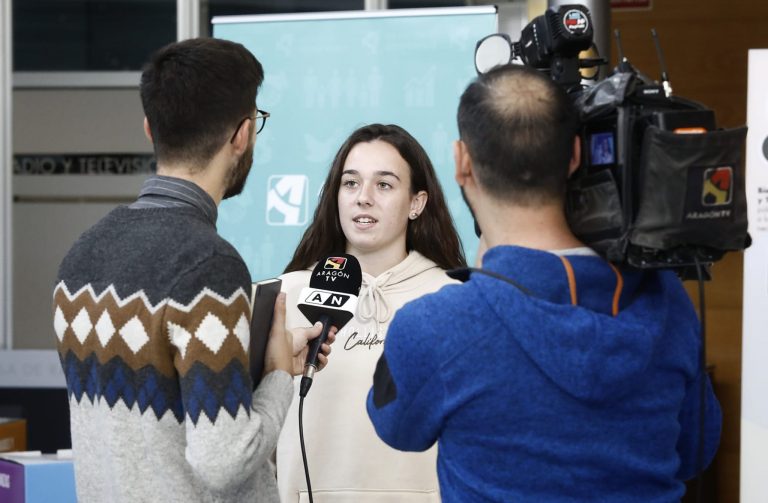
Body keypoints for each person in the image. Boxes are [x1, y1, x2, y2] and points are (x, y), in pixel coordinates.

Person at [366, 65, 722, 502]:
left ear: (463, 162)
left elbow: (397, 428)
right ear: (574, 155)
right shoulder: (665, 298)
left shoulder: (435, 324)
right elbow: (694, 450)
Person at [52, 38, 333, 503]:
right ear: (242, 135)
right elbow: (224, 461)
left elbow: (151, 422)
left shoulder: (81, 256)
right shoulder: (208, 266)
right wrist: (279, 377)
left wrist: (262, 366)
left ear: (149, 129)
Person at [276, 123, 466, 502]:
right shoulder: (285, 295)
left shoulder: (454, 299)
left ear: (416, 203)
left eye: (384, 185)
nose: (363, 198)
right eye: (350, 183)